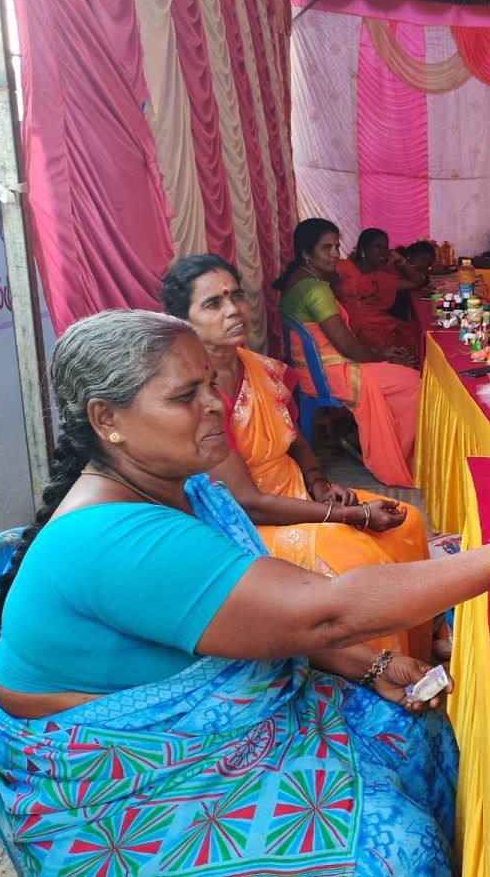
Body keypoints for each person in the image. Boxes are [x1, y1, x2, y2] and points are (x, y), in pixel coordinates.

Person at [0, 309, 490, 875]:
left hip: (216, 724)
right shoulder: (112, 538)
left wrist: (370, 665)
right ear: (107, 419)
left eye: (211, 384)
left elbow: (257, 621)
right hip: (131, 782)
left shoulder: (181, 488)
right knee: (392, 851)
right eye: (185, 395)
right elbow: (320, 615)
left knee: (408, 731)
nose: (214, 404)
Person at [163, 253, 435, 659]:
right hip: (245, 522)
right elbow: (249, 502)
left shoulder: (257, 367)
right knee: (356, 555)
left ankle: (417, 647)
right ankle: (379, 671)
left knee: (406, 519)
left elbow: (293, 439)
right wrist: (351, 515)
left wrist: (319, 483)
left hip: (296, 495)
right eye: (213, 303)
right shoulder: (198, 396)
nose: (234, 310)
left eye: (236, 296)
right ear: (183, 321)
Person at [276, 218, 420, 487]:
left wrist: (380, 353)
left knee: (399, 370)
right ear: (306, 253)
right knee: (413, 382)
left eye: (336, 247)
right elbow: (348, 347)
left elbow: (345, 344)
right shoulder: (315, 290)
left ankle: (363, 438)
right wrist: (387, 358)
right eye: (326, 248)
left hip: (315, 368)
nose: (335, 254)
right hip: (330, 373)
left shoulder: (300, 279)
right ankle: (393, 457)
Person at [333, 229, 425, 360]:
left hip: (380, 324)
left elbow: (417, 282)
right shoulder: (344, 266)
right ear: (363, 249)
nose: (383, 252)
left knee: (417, 343)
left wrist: (401, 260)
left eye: (385, 248)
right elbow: (320, 281)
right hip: (349, 328)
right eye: (377, 247)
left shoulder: (380, 277)